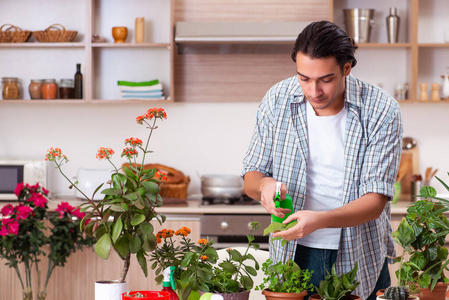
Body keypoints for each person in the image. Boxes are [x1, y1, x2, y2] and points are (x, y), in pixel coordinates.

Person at [242, 20, 403, 300]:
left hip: (360, 257)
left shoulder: (381, 110)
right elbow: (251, 175)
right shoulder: (277, 100)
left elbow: (375, 201)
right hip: (291, 256)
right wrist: (265, 186)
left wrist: (319, 220)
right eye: (304, 78)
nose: (313, 91)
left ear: (346, 68)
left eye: (325, 80)